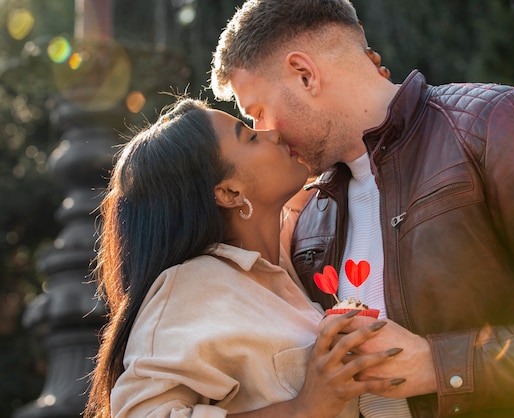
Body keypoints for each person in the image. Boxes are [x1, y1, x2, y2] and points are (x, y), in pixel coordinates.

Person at [209, 1, 514, 417]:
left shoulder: (495, 124)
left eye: (257, 113)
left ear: (305, 73)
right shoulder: (311, 214)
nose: (264, 135)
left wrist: (439, 367)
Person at [83, 98, 408, 418]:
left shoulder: (295, 265)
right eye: (250, 137)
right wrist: (303, 408)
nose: (272, 133)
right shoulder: (190, 288)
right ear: (229, 193)